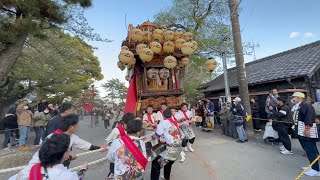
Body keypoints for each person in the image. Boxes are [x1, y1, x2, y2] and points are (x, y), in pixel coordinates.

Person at [11, 114, 107, 180]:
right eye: (76, 125)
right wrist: (82, 169)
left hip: (39, 169)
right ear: (71, 127)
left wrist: (100, 148)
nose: (77, 127)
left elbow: (85, 145)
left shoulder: (70, 137)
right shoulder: (65, 176)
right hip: (41, 167)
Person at [9, 134, 88, 180]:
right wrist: (83, 169)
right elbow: (79, 178)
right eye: (68, 149)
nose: (70, 151)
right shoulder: (66, 176)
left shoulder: (28, 170)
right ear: (63, 154)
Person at [291, 92, 319, 176]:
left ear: (299, 97)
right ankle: (312, 165)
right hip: (300, 130)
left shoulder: (306, 105)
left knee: (310, 149)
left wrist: (307, 129)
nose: (293, 98)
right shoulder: (298, 106)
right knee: (307, 149)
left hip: (306, 130)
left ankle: (316, 169)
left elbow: (309, 117)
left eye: (294, 97)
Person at [151, 109, 182, 180]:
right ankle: (166, 178)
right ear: (171, 115)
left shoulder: (163, 122)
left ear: (163, 115)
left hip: (171, 150)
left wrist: (152, 136)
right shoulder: (175, 122)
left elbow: (157, 135)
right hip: (178, 149)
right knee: (168, 163)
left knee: (156, 164)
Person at [105, 112, 135, 179]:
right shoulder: (117, 130)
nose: (130, 126)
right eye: (128, 124)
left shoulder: (132, 130)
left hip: (128, 157)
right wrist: (116, 143)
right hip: (117, 156)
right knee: (114, 171)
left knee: (128, 172)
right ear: (123, 122)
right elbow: (108, 141)